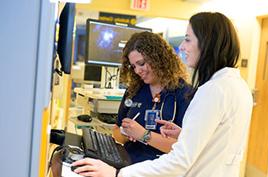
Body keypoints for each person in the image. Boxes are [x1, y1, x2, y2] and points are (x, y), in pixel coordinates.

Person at [72, 12, 253, 177]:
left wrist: (118, 174)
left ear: (208, 42)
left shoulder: (211, 91)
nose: (182, 46)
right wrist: (184, 135)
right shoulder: (237, 86)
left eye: (188, 39)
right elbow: (216, 143)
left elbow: (179, 161)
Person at [112, 31, 192, 164]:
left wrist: (143, 135)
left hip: (161, 169)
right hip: (128, 165)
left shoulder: (185, 94)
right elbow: (116, 131)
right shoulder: (133, 91)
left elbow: (184, 149)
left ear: (158, 58)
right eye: (133, 66)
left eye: (141, 63)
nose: (137, 71)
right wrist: (125, 133)